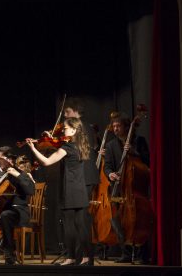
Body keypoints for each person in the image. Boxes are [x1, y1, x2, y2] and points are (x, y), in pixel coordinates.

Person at [26, 117, 92, 266]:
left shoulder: (67, 148)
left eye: (66, 129)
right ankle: (88, 257)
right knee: (81, 225)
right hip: (80, 189)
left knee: (69, 225)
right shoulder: (80, 146)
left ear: (74, 130)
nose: (63, 131)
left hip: (69, 189)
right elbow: (58, 145)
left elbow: (47, 162)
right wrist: (51, 140)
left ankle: (71, 257)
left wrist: (33, 148)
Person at [103, 114, 150, 263]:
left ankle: (142, 253)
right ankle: (126, 252)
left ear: (127, 127)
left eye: (119, 126)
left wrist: (134, 152)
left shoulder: (139, 141)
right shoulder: (110, 145)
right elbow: (107, 165)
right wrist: (110, 174)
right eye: (114, 127)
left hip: (135, 189)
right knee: (117, 220)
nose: (116, 129)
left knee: (139, 220)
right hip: (118, 188)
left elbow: (148, 160)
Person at [63, 98, 99, 265]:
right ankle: (76, 256)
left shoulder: (83, 128)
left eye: (67, 113)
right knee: (74, 219)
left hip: (83, 178)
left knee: (81, 220)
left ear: (76, 113)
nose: (65, 116)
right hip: (77, 178)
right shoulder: (77, 132)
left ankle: (85, 256)